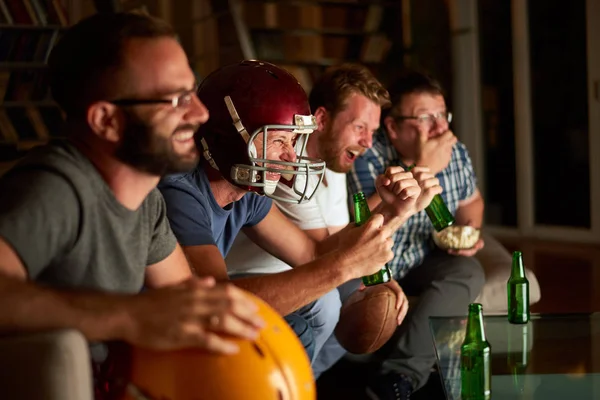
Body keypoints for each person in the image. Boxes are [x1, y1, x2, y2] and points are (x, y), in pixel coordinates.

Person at [0, 12, 264, 399]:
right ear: (107, 120)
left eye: (192, 94)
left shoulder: (147, 203)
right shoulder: (55, 188)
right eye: (176, 100)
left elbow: (185, 300)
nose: (200, 114)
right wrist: (130, 315)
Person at [158, 61, 440, 373]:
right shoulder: (180, 192)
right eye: (279, 140)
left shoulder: (247, 193)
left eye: (294, 140)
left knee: (300, 328)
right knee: (301, 325)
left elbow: (312, 253)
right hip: (166, 340)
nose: (292, 156)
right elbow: (217, 301)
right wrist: (347, 265)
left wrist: (393, 210)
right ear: (230, 136)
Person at [347, 70, 487, 399]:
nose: (441, 128)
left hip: (425, 255)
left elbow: (473, 204)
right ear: (393, 128)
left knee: (469, 272)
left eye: (442, 115)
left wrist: (468, 233)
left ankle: (397, 376)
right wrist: (423, 166)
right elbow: (362, 226)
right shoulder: (366, 154)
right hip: (375, 265)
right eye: (426, 118)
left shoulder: (455, 151)